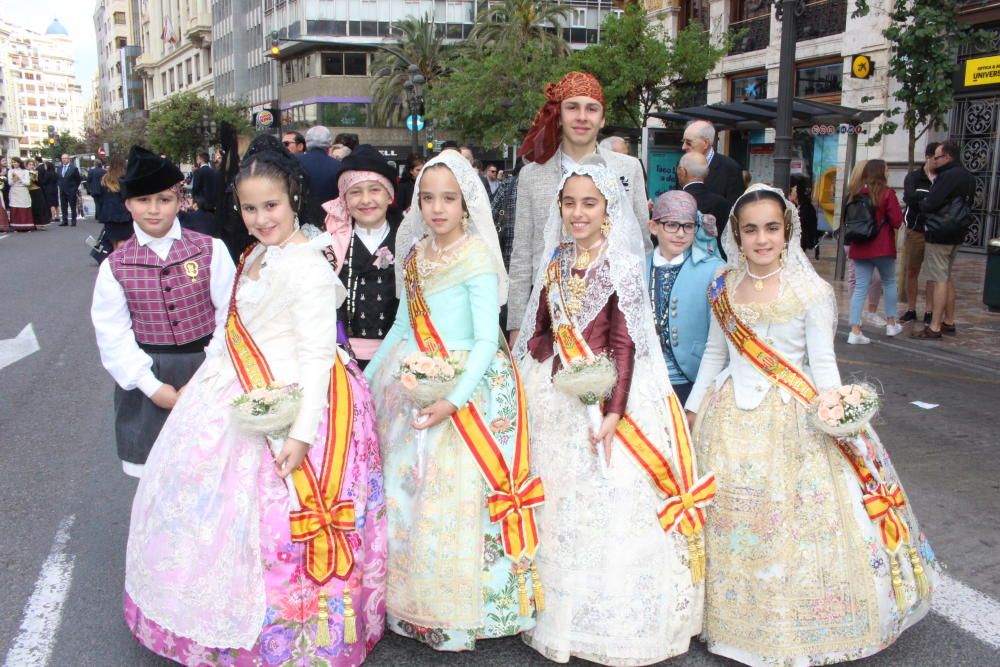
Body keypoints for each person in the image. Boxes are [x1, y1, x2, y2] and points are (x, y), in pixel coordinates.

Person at [124, 135, 387, 665]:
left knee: (275, 523)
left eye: (271, 205)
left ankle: (294, 636)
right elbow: (229, 330)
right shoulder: (254, 255)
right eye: (249, 208)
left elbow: (317, 355)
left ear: (293, 198)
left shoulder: (307, 265)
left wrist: (301, 433)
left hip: (300, 402)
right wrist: (206, 384)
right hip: (238, 387)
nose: (262, 217)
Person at [686, 184, 937, 666]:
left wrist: (841, 418)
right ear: (736, 235)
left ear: (788, 230)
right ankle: (730, 615)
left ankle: (799, 617)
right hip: (729, 414)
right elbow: (716, 355)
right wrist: (692, 412)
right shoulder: (721, 284)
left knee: (795, 522)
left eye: (772, 229)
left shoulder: (812, 290)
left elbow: (823, 366)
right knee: (732, 519)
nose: (761, 240)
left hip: (794, 416)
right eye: (751, 230)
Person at [514, 162, 710, 665]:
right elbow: (539, 328)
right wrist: (550, 364)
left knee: (608, 500)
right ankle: (553, 611)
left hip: (610, 399)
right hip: (556, 396)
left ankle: (608, 617)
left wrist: (613, 411)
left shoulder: (621, 263)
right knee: (554, 504)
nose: (578, 213)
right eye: (569, 203)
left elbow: (625, 344)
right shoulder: (555, 259)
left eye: (589, 204)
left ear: (608, 211)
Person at [365, 151, 540, 651]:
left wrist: (455, 399)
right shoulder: (415, 254)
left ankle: (461, 608)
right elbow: (402, 325)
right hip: (415, 376)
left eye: (448, 198)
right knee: (412, 496)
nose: (437, 208)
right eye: (427, 197)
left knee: (457, 499)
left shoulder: (478, 256)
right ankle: (415, 602)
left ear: (467, 204)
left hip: (470, 388)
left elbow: (487, 340)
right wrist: (365, 377)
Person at [91, 146, 236, 477]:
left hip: (208, 369)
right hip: (148, 378)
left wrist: (207, 373)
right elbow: (112, 334)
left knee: (212, 476)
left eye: (164, 199)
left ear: (179, 200)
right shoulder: (115, 266)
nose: (154, 210)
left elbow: (229, 314)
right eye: (143, 200)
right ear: (127, 203)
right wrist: (151, 386)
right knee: (155, 482)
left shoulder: (210, 249)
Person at [504, 71, 650, 335]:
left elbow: (642, 244)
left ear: (602, 117)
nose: (582, 117)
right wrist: (516, 325)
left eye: (591, 109)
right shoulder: (532, 175)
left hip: (609, 317)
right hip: (546, 314)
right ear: (559, 115)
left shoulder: (628, 169)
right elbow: (522, 256)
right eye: (572, 107)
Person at [323, 145, 401, 368]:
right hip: (341, 357)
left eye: (375, 190)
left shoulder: (409, 242)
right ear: (344, 199)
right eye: (355, 192)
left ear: (389, 196)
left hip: (396, 357)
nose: (366, 200)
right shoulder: (330, 243)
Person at [646, 191, 725, 402]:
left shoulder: (713, 270)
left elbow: (717, 340)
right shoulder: (637, 267)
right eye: (671, 225)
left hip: (692, 381)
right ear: (653, 227)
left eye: (688, 226)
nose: (680, 234)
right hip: (644, 381)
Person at [912, 140, 972, 340]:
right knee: (946, 276)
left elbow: (930, 203)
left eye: (937, 157)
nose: (934, 161)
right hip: (958, 232)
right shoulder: (968, 176)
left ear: (947, 157)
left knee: (939, 279)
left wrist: (922, 202)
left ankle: (935, 326)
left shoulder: (947, 176)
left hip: (940, 233)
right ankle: (949, 321)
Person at [845, 159, 904, 343]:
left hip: (861, 245)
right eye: (886, 169)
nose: (888, 172)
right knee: (889, 282)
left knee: (861, 287)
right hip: (882, 246)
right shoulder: (887, 194)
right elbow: (896, 221)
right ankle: (891, 324)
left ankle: (855, 331)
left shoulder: (856, 193)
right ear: (880, 172)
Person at [900, 142, 939, 326]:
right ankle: (911, 309)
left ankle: (930, 310)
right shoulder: (915, 177)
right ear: (928, 157)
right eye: (935, 159)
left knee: (932, 273)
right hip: (916, 229)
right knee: (912, 270)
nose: (938, 162)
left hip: (935, 231)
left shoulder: (943, 178)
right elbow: (909, 197)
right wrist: (929, 199)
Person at [677, 152, 730, 256]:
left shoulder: (675, 202)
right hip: (715, 261)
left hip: (682, 260)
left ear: (682, 172)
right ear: (708, 172)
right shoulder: (722, 202)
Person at [681, 120, 745, 208]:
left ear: (705, 143)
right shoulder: (683, 164)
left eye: (689, 142)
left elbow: (735, 208)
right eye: (683, 141)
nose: (683, 147)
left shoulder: (730, 168)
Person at [298, 125, 343, 228]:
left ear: (306, 143)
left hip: (298, 225)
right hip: (329, 225)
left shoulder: (293, 162)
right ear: (329, 145)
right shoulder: (339, 167)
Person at [97, 158, 133, 250]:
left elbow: (101, 197)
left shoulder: (105, 178)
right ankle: (121, 261)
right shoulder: (126, 179)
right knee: (123, 241)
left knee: (114, 241)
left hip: (108, 214)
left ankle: (115, 260)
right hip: (124, 214)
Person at [790, 173, 819, 258]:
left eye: (792, 190)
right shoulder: (795, 205)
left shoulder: (806, 207)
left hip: (799, 243)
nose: (790, 192)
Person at [6, 158, 34, 231]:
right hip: (14, 191)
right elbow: (10, 183)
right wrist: (14, 179)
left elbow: (27, 183)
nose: (14, 164)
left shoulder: (25, 171)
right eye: (13, 163)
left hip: (23, 190)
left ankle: (27, 226)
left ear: (19, 163)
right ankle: (15, 226)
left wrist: (20, 178)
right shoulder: (10, 171)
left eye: (15, 162)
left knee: (24, 206)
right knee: (15, 207)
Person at [57, 153, 83, 226]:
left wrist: (74, 188)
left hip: (71, 190)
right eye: (63, 158)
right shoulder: (59, 168)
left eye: (65, 158)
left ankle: (73, 221)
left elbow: (78, 179)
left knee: (72, 206)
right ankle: (64, 221)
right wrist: (59, 184)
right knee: (63, 206)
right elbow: (58, 178)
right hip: (62, 190)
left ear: (68, 159)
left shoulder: (73, 168)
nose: (64, 160)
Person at [26, 159, 50, 228]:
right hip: (28, 191)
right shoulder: (25, 172)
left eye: (33, 165)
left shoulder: (36, 172)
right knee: (31, 208)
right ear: (26, 166)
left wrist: (35, 179)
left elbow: (41, 182)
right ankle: (33, 223)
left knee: (39, 207)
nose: (31, 166)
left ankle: (42, 224)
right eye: (29, 165)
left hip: (36, 190)